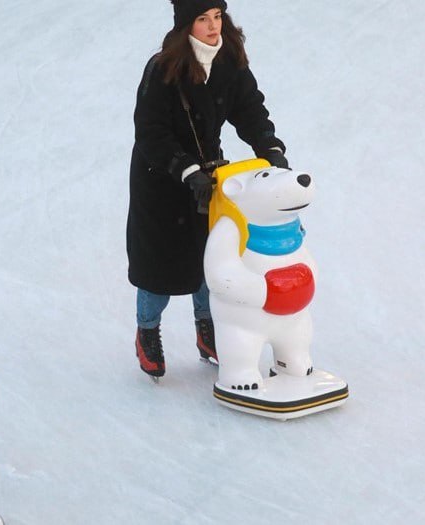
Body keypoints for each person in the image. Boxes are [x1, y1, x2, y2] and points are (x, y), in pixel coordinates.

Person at [126, 0, 289, 379]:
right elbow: (151, 131)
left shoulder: (228, 59)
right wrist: (184, 169)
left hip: (208, 176)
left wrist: (271, 149)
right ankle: (147, 331)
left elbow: (250, 108)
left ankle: (206, 330)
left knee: (209, 257)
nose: (213, 27)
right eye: (203, 19)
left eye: (217, 16)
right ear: (186, 26)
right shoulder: (163, 68)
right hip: (161, 178)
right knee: (159, 267)